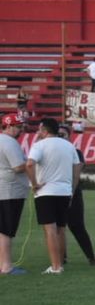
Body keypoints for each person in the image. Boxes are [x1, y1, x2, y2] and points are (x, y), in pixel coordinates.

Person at [24, 117, 79, 275]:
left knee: (50, 229)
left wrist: (34, 183)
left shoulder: (39, 145)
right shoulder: (69, 146)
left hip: (46, 192)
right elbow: (76, 168)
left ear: (44, 130)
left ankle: (55, 267)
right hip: (64, 191)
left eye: (40, 129)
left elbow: (29, 164)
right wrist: (72, 189)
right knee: (61, 229)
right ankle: (60, 262)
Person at [56, 128, 95, 266]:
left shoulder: (77, 152)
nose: (60, 137)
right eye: (58, 134)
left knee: (77, 226)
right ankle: (62, 257)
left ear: (70, 137)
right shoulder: (53, 151)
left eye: (63, 134)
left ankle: (91, 257)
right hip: (56, 191)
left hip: (72, 192)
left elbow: (77, 171)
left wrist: (71, 193)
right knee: (58, 227)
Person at [0, 114, 29, 275]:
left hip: (3, 189)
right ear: (9, 126)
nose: (20, 130)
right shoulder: (10, 143)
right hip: (10, 191)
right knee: (6, 230)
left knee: (3, 229)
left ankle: (3, 264)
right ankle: (6, 266)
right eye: (18, 126)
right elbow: (18, 167)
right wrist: (31, 164)